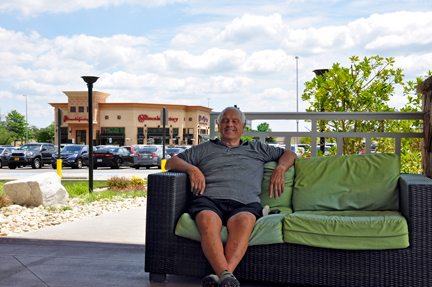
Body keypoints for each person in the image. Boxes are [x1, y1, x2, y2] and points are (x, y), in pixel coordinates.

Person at [165, 107, 296, 287]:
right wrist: (192, 168)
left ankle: (220, 276)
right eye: (225, 121)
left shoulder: (256, 148)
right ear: (218, 126)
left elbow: (289, 154)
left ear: (243, 127)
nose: (230, 124)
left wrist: (281, 168)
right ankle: (226, 277)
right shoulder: (204, 149)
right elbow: (171, 162)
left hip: (245, 203)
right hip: (209, 200)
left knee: (245, 220)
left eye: (235, 121)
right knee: (206, 218)